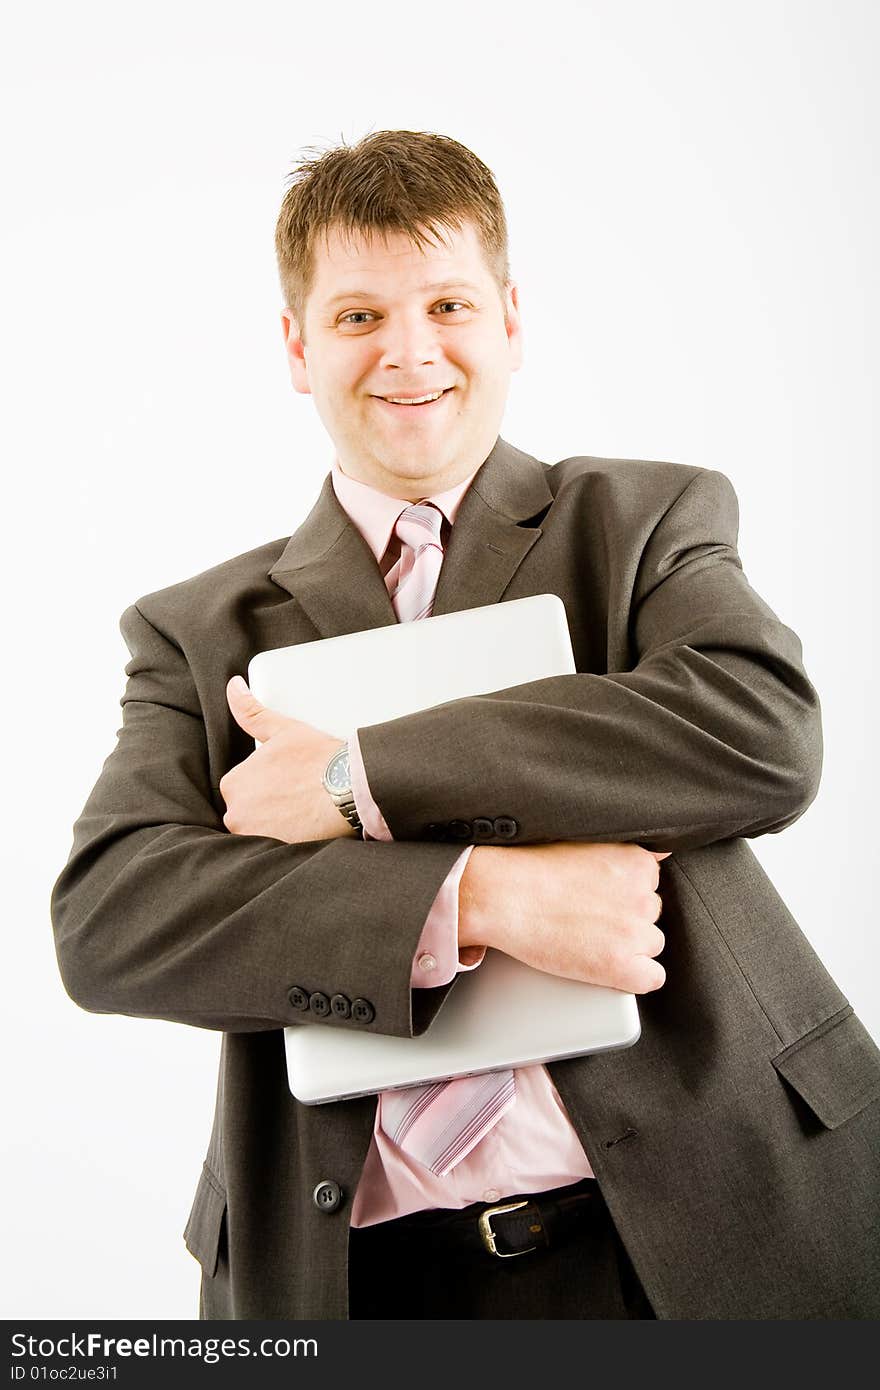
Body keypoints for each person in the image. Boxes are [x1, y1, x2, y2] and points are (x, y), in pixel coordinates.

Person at [51, 129, 880, 1321]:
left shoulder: (642, 522)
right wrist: (477, 901)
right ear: (296, 346)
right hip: (360, 1281)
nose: (409, 353)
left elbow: (759, 730)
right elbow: (110, 918)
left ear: (510, 321)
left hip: (695, 1233)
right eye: (356, 317)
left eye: (447, 303)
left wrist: (358, 779)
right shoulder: (195, 631)